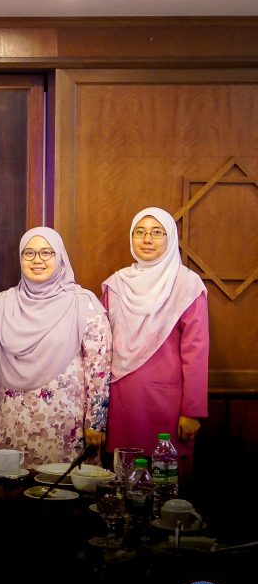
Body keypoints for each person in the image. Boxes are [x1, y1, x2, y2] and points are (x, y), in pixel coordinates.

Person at [0, 227, 111, 466]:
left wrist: (96, 422)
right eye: (29, 253)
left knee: (63, 486)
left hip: (65, 425)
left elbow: (98, 369)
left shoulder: (83, 304)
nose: (37, 260)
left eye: (46, 253)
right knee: (12, 485)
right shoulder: (4, 303)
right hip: (12, 420)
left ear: (60, 257)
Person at [102, 207, 208, 483]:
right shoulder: (116, 284)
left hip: (168, 405)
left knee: (165, 486)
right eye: (140, 232)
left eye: (157, 232)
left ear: (170, 238)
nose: (147, 239)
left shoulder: (187, 285)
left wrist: (192, 411)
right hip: (122, 400)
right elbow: (102, 348)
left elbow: (196, 351)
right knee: (124, 484)